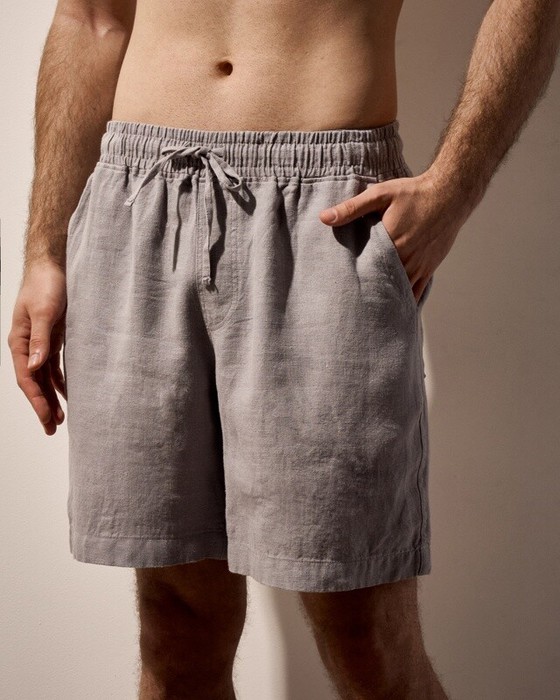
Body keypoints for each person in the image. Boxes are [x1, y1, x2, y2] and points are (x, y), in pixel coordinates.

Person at [7, 0, 559, 697]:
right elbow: (91, 18)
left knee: (366, 637)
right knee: (176, 627)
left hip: (326, 212)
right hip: (138, 200)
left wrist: (455, 186)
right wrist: (45, 251)